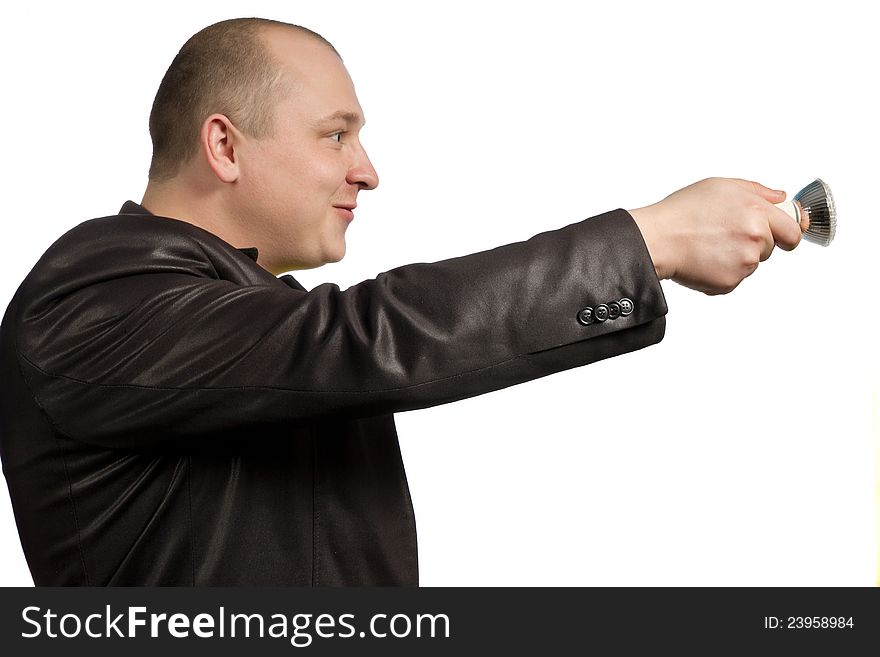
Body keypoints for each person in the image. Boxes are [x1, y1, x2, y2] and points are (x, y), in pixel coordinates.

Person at [0, 17, 802, 586]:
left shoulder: (245, 319)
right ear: (223, 146)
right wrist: (646, 240)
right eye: (335, 134)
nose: (368, 169)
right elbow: (356, 336)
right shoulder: (92, 293)